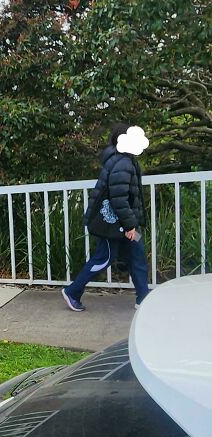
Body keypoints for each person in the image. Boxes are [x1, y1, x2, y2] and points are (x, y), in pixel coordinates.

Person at [62, 123, 150, 312]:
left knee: (137, 255)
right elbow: (119, 199)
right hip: (114, 224)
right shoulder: (123, 163)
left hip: (121, 223)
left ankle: (143, 298)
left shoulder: (123, 160)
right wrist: (129, 225)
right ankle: (72, 291)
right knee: (104, 259)